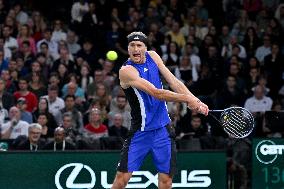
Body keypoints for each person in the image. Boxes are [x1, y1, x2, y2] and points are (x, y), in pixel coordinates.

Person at [111, 31, 208, 189]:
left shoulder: (153, 57)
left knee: (166, 182)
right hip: (140, 132)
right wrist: (188, 99)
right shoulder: (126, 71)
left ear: (145, 47)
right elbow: (157, 93)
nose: (136, 49)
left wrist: (195, 100)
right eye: (132, 45)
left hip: (163, 130)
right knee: (121, 181)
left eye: (139, 45)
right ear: (128, 49)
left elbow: (174, 81)